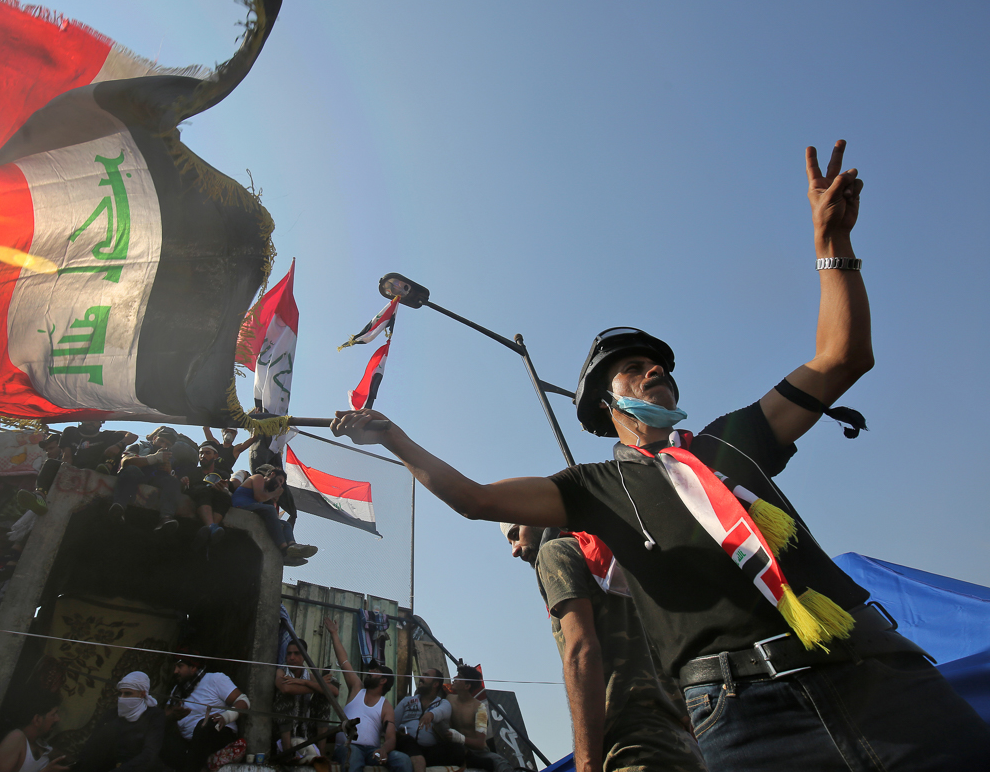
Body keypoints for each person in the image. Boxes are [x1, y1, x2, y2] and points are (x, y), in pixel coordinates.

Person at [332, 141, 990, 770]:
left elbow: (842, 356)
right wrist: (393, 437)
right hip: (744, 720)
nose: (654, 373)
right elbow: (475, 500)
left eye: (659, 366)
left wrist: (832, 247)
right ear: (605, 405)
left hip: (874, 674)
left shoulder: (733, 439)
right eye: (635, 370)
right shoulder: (592, 488)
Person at [503, 524, 705, 772]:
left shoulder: (554, 552)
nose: (514, 550)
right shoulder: (609, 552)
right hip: (679, 742)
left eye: (515, 534)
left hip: (631, 747)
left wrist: (587, 762)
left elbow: (581, 651)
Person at [322, 617, 409, 772]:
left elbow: (390, 738)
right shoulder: (357, 688)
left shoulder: (385, 706)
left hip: (371, 752)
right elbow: (344, 662)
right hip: (348, 747)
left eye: (374, 671)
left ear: (383, 680)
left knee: (402, 759)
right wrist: (334, 634)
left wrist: (384, 750)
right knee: (353, 754)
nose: (369, 672)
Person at [161, 654, 249, 772]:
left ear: (193, 667)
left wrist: (225, 717)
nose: (175, 671)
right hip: (190, 744)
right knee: (162, 738)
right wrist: (173, 716)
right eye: (174, 667)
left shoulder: (215, 679)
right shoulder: (176, 691)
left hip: (217, 733)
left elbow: (243, 702)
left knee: (204, 725)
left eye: (180, 666)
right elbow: (162, 719)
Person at [78, 671, 165, 772]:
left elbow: (150, 753)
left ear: (142, 694)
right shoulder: (112, 714)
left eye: (127, 693)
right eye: (120, 693)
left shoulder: (154, 715)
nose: (122, 698)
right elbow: (92, 744)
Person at [230, 465, 316, 565]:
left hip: (252, 510)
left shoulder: (266, 491)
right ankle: (284, 550)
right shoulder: (258, 478)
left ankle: (293, 546)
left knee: (286, 525)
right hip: (241, 507)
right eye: (279, 480)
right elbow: (259, 497)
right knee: (270, 509)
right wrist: (274, 494)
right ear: (272, 474)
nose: (279, 484)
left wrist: (274, 497)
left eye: (281, 483)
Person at [113, 427, 192, 533]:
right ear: (154, 438)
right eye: (161, 441)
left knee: (172, 481)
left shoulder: (171, 459)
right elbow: (126, 462)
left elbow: (176, 483)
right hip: (136, 476)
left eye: (168, 444)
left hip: (155, 480)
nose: (163, 445)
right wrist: (154, 458)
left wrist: (171, 472)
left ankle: (166, 518)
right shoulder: (139, 447)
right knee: (132, 469)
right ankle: (119, 508)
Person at [274, 641, 339, 763]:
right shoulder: (281, 672)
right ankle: (287, 755)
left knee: (323, 696)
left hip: (306, 731)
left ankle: (321, 756)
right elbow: (286, 688)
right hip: (284, 732)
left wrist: (303, 682)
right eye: (289, 654)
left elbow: (334, 692)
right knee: (285, 696)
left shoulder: (309, 676)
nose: (292, 657)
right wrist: (318, 685)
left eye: (296, 653)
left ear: (304, 656)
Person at [442, 665, 510, 772]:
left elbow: (480, 744)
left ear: (467, 685)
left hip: (480, 753)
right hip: (457, 751)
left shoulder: (480, 709)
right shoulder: (449, 699)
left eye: (459, 677)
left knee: (500, 763)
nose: (454, 678)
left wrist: (459, 738)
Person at [393, 668, 463, 772]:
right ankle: (418, 762)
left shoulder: (442, 703)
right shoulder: (407, 700)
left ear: (435, 684)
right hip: (406, 746)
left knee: (457, 749)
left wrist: (431, 714)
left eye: (426, 675)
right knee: (407, 740)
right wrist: (397, 733)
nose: (421, 678)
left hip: (429, 750)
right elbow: (393, 723)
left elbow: (444, 711)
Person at [0, 690, 67, 772]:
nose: (58, 719)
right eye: (53, 714)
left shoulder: (40, 744)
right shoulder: (16, 738)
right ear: (37, 720)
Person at [59, 421, 137, 471]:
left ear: (101, 422)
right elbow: (67, 457)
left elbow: (132, 436)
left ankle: (106, 468)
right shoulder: (70, 432)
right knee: (50, 464)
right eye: (89, 418)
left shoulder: (107, 436)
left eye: (96, 419)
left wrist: (119, 445)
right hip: (74, 468)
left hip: (96, 467)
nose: (92, 422)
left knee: (116, 439)